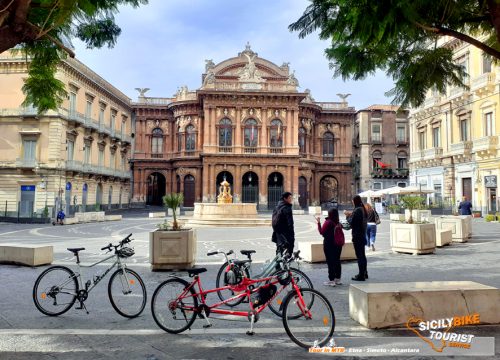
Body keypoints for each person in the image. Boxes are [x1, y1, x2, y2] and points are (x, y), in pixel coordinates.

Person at [316, 208, 343, 286]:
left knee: (330, 262)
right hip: (338, 244)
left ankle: (331, 280)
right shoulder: (338, 222)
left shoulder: (328, 222)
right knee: (337, 261)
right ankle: (338, 279)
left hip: (329, 244)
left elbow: (322, 232)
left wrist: (318, 222)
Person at [345, 195, 368, 281]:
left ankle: (361, 275)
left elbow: (352, 223)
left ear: (354, 201)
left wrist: (347, 216)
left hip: (358, 235)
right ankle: (364, 273)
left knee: (360, 256)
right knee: (362, 255)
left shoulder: (358, 210)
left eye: (352, 201)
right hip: (362, 234)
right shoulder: (362, 209)